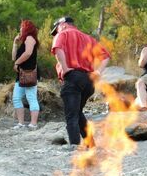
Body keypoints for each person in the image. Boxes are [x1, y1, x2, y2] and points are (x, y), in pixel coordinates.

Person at [50, 16, 111, 148]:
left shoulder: (63, 33)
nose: (56, 33)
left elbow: (57, 49)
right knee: (77, 112)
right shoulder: (88, 38)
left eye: (56, 29)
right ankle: (91, 144)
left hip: (73, 78)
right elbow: (106, 56)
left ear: (63, 24)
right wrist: (98, 72)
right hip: (89, 81)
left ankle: (74, 147)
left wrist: (65, 68)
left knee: (71, 115)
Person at [11, 19, 40, 130]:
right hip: (21, 75)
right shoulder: (24, 41)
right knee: (16, 98)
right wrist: (15, 43)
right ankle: (21, 123)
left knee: (31, 97)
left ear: (27, 28)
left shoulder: (30, 38)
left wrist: (17, 63)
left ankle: (33, 124)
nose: (20, 29)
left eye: (22, 27)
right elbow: (14, 57)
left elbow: (28, 53)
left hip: (29, 74)